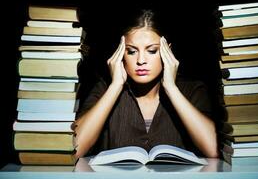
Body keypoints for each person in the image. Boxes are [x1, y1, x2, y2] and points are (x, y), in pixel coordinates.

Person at [74, 9, 218, 159]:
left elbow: (214, 151)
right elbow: (75, 150)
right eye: (131, 51)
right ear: (120, 53)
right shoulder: (105, 89)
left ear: (167, 50)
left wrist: (171, 88)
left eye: (152, 50)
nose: (141, 60)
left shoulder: (192, 90)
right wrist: (115, 86)